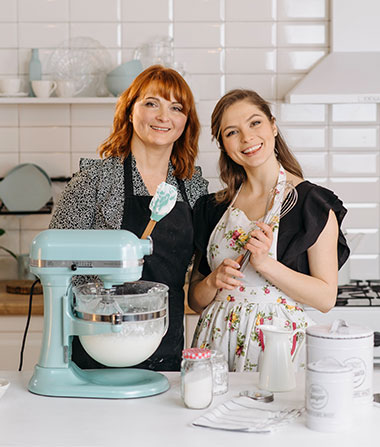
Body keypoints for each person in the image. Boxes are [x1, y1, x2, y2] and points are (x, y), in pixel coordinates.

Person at [49, 64, 208, 371]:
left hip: (164, 340)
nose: (164, 116)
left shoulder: (194, 187)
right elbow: (56, 261)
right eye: (152, 103)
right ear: (129, 111)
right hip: (99, 340)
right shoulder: (94, 180)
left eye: (176, 108)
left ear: (186, 122)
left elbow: (202, 265)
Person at [189, 89, 349, 372]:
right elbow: (195, 299)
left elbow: (325, 298)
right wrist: (213, 281)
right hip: (215, 345)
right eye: (232, 132)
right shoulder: (212, 208)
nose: (247, 138)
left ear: (273, 126)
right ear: (223, 144)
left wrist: (265, 265)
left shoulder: (311, 204)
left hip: (278, 350)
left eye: (255, 123)